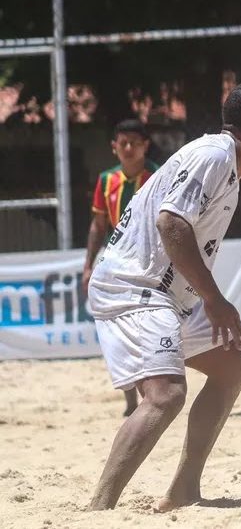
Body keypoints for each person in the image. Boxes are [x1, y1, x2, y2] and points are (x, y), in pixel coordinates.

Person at [86, 80, 241, 511]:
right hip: (134, 287)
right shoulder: (213, 157)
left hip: (165, 293)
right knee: (165, 396)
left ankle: (183, 491)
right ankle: (98, 509)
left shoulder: (229, 169)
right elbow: (170, 224)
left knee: (233, 367)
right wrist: (214, 299)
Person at [83, 119, 160, 417]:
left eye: (134, 143)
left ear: (145, 146)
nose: (128, 148)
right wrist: (88, 264)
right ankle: (131, 398)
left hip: (152, 259)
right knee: (118, 327)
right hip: (118, 260)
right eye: (122, 142)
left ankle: (155, 390)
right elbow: (98, 224)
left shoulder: (157, 175)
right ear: (114, 147)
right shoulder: (106, 180)